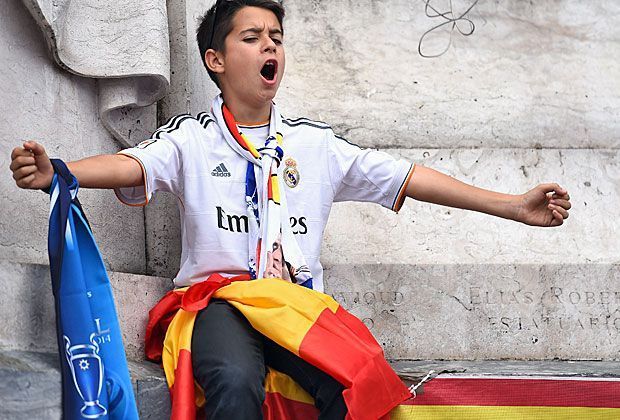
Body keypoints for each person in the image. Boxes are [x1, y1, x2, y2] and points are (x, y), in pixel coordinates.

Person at [9, 0, 571, 418]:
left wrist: (512, 206)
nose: (270, 47)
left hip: (297, 308)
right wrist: (59, 171)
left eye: (276, 36)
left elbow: (410, 177)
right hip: (221, 303)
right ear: (216, 59)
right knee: (231, 379)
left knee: (364, 380)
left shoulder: (316, 145)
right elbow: (132, 165)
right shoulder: (192, 139)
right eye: (252, 37)